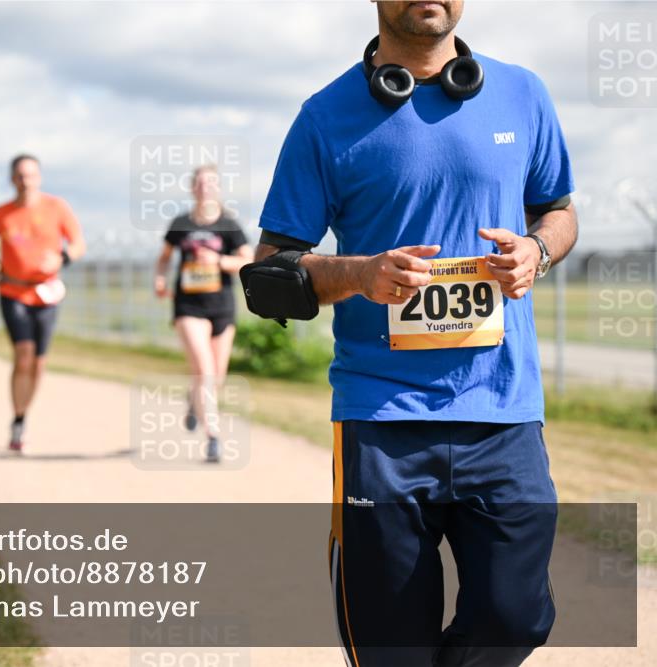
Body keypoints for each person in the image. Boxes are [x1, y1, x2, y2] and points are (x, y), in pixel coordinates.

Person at [254, 2, 577, 665]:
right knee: (391, 646)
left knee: (514, 618)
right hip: (381, 422)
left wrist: (537, 251)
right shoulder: (325, 116)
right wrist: (358, 272)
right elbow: (269, 274)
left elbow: (559, 211)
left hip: (503, 412)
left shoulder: (523, 93)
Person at [0, 154, 86, 453]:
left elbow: (79, 244)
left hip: (47, 292)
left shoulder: (57, 208)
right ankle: (17, 419)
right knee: (23, 353)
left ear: (39, 177)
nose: (25, 180)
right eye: (19, 175)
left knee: (39, 362)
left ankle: (23, 415)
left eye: (30, 175)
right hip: (13, 292)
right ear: (12, 179)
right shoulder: (0, 214)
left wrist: (62, 257)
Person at [154, 165, 252, 463]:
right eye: (199, 182)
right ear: (191, 188)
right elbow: (164, 259)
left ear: (218, 187)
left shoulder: (229, 223)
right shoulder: (180, 223)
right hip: (188, 306)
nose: (204, 187)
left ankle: (193, 400)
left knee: (216, 376)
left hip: (221, 306)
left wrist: (218, 260)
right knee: (204, 369)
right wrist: (160, 279)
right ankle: (213, 437)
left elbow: (245, 261)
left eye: (210, 182)